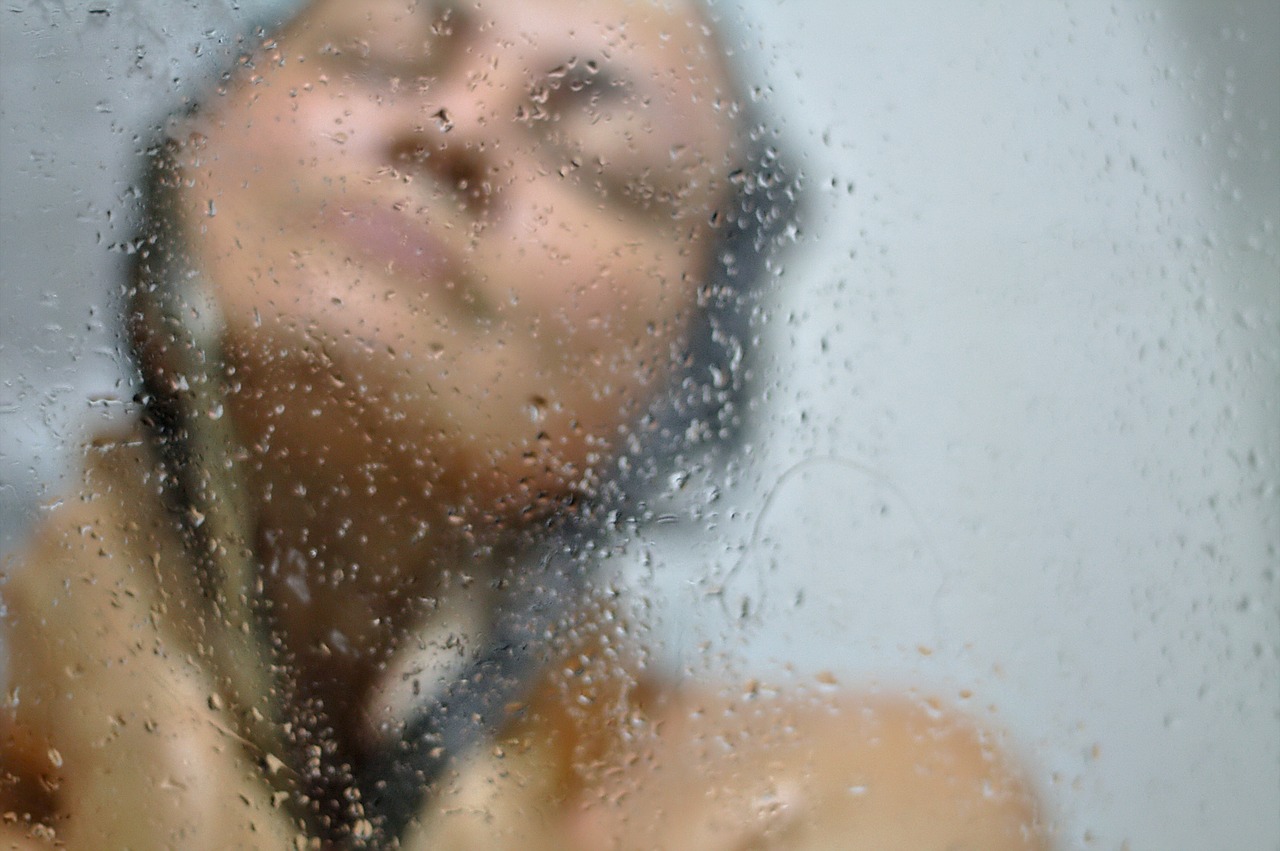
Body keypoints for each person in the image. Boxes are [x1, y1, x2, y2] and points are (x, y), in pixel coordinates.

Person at [0, 1, 1046, 847]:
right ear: (185, 154)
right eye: (379, 54)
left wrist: (151, 740)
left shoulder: (842, 795)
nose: (452, 131)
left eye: (600, 158)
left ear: (673, 379)